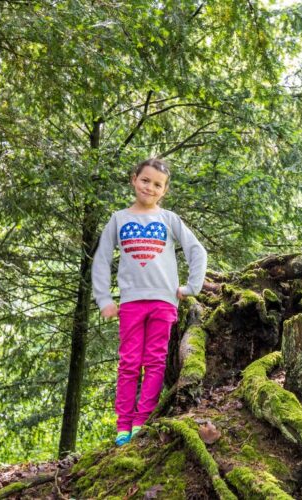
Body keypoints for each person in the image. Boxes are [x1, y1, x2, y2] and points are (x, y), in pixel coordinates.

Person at [92, 158, 207, 446]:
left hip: (164, 301)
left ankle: (142, 421)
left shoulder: (169, 219)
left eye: (157, 184)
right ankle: (123, 426)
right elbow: (102, 258)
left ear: (164, 190)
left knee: (155, 362)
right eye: (145, 180)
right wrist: (104, 298)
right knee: (129, 363)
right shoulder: (119, 219)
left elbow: (196, 250)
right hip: (131, 302)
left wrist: (192, 286)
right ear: (134, 179)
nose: (150, 187)